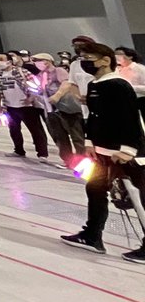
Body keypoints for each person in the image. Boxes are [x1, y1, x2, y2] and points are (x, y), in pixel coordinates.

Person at [61, 43, 145, 262]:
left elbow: (130, 119)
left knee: (140, 195)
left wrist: (127, 149)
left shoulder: (119, 85)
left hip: (126, 152)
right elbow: (93, 116)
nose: (84, 62)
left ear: (106, 60)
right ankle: (92, 235)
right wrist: (89, 141)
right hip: (101, 151)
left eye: (88, 57)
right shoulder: (94, 84)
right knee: (95, 189)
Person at [0, 52, 50, 160]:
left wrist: (31, 98)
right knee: (14, 130)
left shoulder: (22, 71)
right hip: (10, 107)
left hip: (26, 107)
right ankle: (19, 150)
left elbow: (36, 85)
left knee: (35, 130)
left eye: (1, 59)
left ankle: (42, 153)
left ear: (9, 61)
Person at [38, 53, 84, 168]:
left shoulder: (58, 71)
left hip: (66, 109)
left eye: (39, 60)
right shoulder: (42, 74)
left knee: (76, 136)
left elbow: (67, 83)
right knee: (59, 137)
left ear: (48, 61)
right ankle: (68, 161)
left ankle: (83, 161)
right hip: (50, 110)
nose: (36, 63)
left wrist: (57, 95)